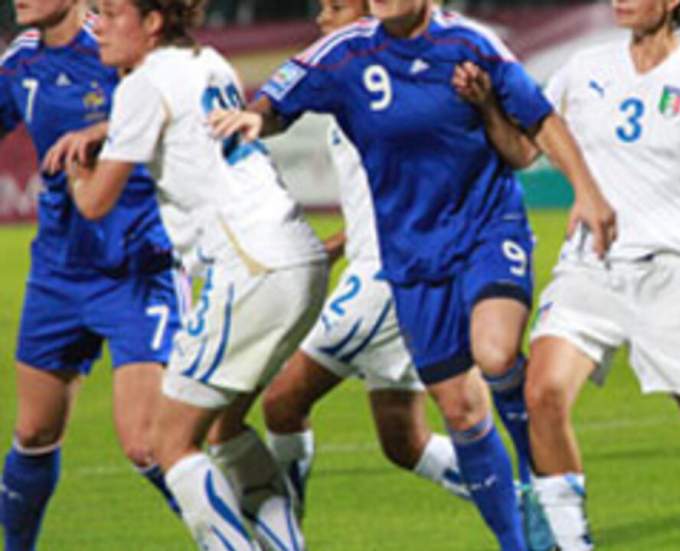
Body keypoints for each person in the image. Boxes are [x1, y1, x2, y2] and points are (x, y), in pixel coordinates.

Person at [210, 0, 616, 548]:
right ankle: (519, 541)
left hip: (485, 232)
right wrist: (257, 115)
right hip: (411, 260)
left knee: (495, 354)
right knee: (458, 411)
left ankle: (542, 487)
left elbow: (539, 118)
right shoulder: (347, 52)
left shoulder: (470, 44)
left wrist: (587, 194)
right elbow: (282, 95)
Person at [455, 0, 680, 548]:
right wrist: (489, 108)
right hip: (591, 267)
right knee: (543, 395)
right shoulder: (583, 69)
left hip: (673, 274)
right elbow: (521, 150)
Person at [65, 0, 330, 548]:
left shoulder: (143, 84)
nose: (99, 26)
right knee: (225, 429)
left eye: (113, 13)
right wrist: (108, 128)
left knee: (169, 442)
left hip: (250, 265)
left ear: (153, 21)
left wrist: (75, 172)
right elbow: (177, 119)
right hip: (295, 256)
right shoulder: (211, 61)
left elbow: (95, 202)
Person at [258, 0, 468, 515]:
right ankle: (526, 504)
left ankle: (279, 537)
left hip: (388, 276)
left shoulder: (394, 88)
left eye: (335, 8)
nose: (320, 19)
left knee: (282, 401)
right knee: (404, 441)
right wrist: (329, 248)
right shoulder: (351, 86)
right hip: (385, 268)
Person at [0, 2, 182, 548]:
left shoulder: (116, 43)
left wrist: (109, 128)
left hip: (135, 266)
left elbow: (175, 99)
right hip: (58, 268)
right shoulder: (21, 62)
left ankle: (238, 536)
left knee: (146, 445)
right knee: (33, 432)